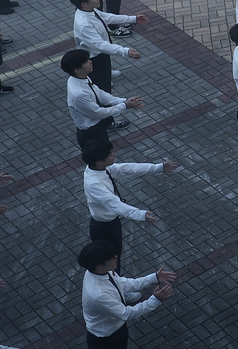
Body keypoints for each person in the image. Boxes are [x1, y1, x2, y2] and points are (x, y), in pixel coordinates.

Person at [81, 139, 178, 269]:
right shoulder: (94, 184)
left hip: (109, 222)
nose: (113, 155)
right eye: (110, 154)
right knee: (111, 260)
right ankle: (116, 284)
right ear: (98, 161)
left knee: (113, 258)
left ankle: (117, 282)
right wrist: (141, 215)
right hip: (105, 228)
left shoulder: (99, 168)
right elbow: (115, 204)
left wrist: (158, 168)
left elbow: (127, 169)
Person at [78, 240, 175, 349]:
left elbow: (123, 284)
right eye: (111, 258)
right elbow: (125, 314)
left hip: (114, 328)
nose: (116, 257)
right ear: (99, 266)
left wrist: (153, 278)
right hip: (107, 338)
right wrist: (155, 300)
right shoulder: (99, 295)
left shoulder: (98, 272)